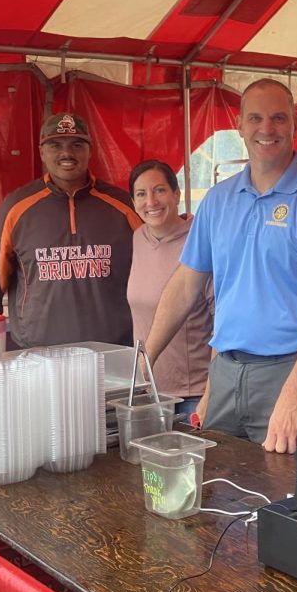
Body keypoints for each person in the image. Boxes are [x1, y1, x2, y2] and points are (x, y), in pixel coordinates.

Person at [143, 79, 297, 454]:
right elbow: (185, 285)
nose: (266, 129)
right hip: (226, 375)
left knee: (294, 503)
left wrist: (294, 395)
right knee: (218, 499)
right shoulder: (219, 201)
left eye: (278, 118)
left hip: (291, 373)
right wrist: (145, 359)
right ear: (239, 125)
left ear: (295, 126)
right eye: (255, 118)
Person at [0, 112, 142, 348]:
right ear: (41, 152)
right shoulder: (16, 208)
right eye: (55, 145)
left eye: (77, 145)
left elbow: (160, 267)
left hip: (116, 353)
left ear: (90, 151)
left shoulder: (123, 206)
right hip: (38, 359)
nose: (66, 153)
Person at [126, 159, 213, 416]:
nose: (151, 202)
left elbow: (223, 322)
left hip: (192, 395)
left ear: (177, 194)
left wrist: (212, 393)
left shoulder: (200, 240)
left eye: (160, 190)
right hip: (148, 392)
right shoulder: (138, 238)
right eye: (141, 194)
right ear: (133, 202)